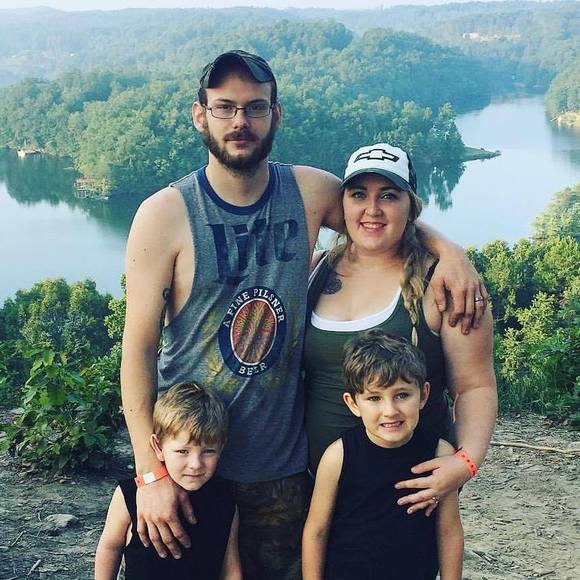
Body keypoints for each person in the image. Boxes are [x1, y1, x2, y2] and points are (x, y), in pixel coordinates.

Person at [120, 50, 487, 579]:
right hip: (193, 460)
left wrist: (450, 252)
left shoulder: (308, 191)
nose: (241, 121)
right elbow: (138, 350)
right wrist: (151, 473)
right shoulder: (164, 215)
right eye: (225, 107)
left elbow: (377, 216)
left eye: (255, 107)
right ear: (200, 115)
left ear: (276, 114)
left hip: (285, 466)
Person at [304, 142, 497, 514]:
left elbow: (475, 385)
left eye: (389, 196)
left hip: (411, 493)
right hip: (320, 491)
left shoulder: (445, 286)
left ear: (411, 207)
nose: (372, 210)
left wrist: (465, 462)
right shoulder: (313, 271)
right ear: (342, 204)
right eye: (359, 194)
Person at [302, 330, 463, 580]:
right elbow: (316, 531)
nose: (390, 410)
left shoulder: (440, 455)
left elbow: (449, 531)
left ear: (423, 395)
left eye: (402, 395)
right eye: (374, 397)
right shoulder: (338, 456)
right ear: (353, 403)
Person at [95, 383, 241, 580]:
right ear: (158, 446)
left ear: (221, 447)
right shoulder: (130, 493)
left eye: (208, 451)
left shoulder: (226, 499)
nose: (195, 464)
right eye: (182, 451)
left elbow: (230, 567)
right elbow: (110, 547)